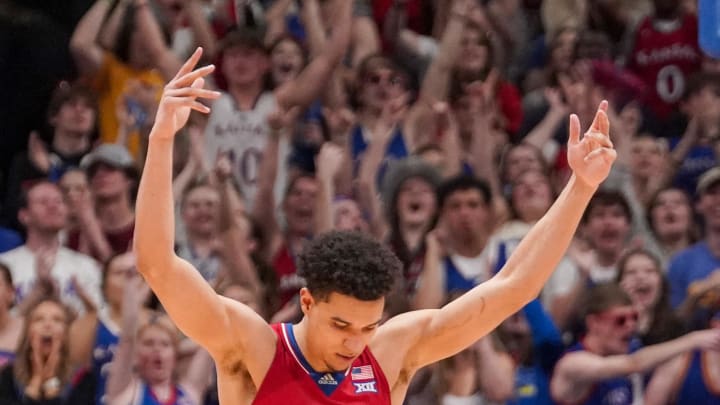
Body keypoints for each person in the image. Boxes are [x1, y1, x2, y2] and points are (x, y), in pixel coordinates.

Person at [134, 47, 617, 404]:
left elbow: (514, 287)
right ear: (307, 301)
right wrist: (161, 141)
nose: (354, 341)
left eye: (367, 326)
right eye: (341, 324)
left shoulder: (389, 352)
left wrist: (580, 188)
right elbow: (157, 265)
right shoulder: (252, 347)